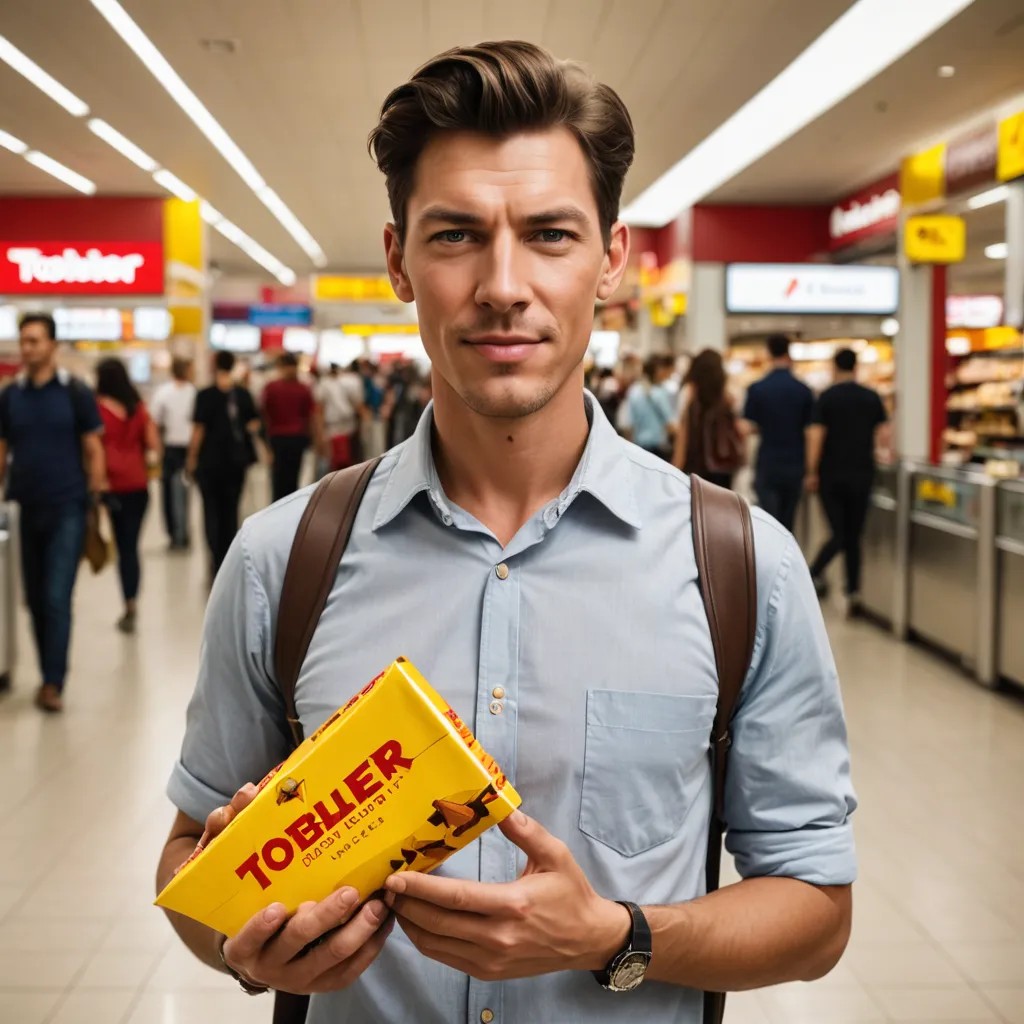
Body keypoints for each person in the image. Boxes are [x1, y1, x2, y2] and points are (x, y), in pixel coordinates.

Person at [159, 42, 854, 1023]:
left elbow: (817, 909)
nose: (501, 283)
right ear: (399, 260)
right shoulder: (285, 561)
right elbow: (191, 859)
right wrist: (250, 946)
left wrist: (619, 936)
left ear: (611, 259)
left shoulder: (740, 565)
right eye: (454, 236)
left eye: (549, 234)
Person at [0, 314, 105, 713]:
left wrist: (95, 497)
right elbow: (2, 450)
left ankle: (52, 682)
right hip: (27, 508)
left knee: (57, 596)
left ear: (52, 346)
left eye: (35, 341)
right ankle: (47, 669)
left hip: (69, 507)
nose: (27, 348)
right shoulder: (11, 397)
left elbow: (94, 447)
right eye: (23, 340)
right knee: (35, 598)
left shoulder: (75, 393)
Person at [807, 348, 889, 613]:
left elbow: (817, 436)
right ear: (856, 367)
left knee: (839, 532)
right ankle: (853, 591)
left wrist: (811, 471)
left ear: (835, 366)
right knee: (853, 535)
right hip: (862, 473)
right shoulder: (871, 397)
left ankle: (811, 573)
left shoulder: (827, 398)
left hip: (832, 474)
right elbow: (884, 436)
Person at [95, 358, 161, 635]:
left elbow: (92, 449)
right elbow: (154, 445)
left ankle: (128, 603)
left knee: (122, 547)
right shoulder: (139, 409)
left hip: (112, 487)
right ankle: (132, 603)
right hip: (139, 485)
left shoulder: (96, 409)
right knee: (131, 547)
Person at [187, 350, 260, 579]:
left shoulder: (205, 395)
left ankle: (214, 560)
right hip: (236, 463)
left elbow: (199, 430)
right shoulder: (242, 394)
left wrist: (191, 459)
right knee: (231, 511)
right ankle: (228, 561)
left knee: (210, 511)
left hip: (209, 463)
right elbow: (254, 423)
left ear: (214, 365)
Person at [743, 334, 814, 531]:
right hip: (794, 462)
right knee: (788, 520)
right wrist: (811, 470)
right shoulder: (803, 390)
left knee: (769, 520)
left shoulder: (757, 389)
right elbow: (810, 432)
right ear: (788, 353)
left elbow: (750, 426)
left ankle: (768, 559)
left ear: (768, 353)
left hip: (768, 460)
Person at [673, 348, 745, 489]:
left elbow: (683, 435)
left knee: (699, 508)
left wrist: (676, 468)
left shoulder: (690, 394)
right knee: (721, 506)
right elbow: (737, 429)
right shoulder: (727, 398)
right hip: (723, 465)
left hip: (696, 466)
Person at [150, 357, 196, 550]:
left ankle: (179, 532)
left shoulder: (164, 393)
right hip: (178, 448)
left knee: (175, 493)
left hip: (176, 447)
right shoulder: (191, 393)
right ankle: (178, 532)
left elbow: (154, 423)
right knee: (175, 493)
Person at [261, 353, 317, 502]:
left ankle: (280, 510)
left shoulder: (272, 388)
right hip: (290, 438)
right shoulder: (301, 388)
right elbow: (310, 417)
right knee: (288, 479)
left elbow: (265, 416)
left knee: (283, 479)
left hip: (283, 438)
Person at [315, 362, 366, 471]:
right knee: (335, 464)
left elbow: (358, 405)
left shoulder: (350, 381)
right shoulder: (324, 383)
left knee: (348, 463)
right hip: (333, 427)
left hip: (348, 426)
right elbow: (319, 409)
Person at [624, 354, 675, 459]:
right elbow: (669, 424)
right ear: (657, 371)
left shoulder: (634, 390)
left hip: (638, 446)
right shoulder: (661, 393)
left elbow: (629, 424)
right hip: (658, 448)